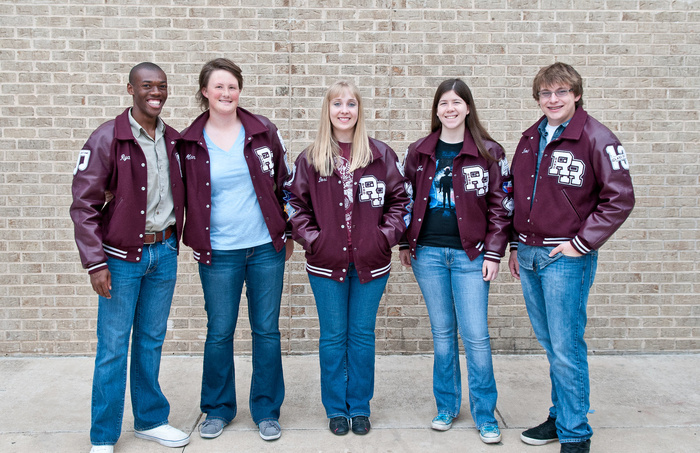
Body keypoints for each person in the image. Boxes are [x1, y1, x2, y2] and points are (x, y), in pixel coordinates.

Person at [508, 62, 635, 453]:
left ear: (576, 94)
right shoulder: (530, 138)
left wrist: (582, 243)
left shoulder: (597, 138)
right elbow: (517, 194)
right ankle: (560, 415)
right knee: (551, 344)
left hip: (565, 257)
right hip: (529, 253)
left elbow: (620, 198)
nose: (553, 99)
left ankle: (576, 433)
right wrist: (515, 244)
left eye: (561, 92)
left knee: (566, 346)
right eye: (546, 93)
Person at [70, 62, 190, 453]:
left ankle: (150, 420)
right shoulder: (108, 138)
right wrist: (95, 262)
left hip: (164, 251)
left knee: (151, 341)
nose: (155, 92)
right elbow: (84, 206)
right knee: (113, 347)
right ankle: (103, 436)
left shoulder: (173, 140)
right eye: (147, 86)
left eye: (161, 86)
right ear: (130, 89)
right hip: (120, 259)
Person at [285, 80, 410, 436]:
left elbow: (401, 202)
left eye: (351, 104)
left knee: (361, 336)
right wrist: (314, 240)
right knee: (333, 337)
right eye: (337, 103)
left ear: (359, 110)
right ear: (327, 110)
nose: (344, 110)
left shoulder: (380, 154)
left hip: (372, 263)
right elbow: (295, 205)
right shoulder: (310, 158)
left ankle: (360, 406)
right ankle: (336, 408)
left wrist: (383, 237)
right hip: (326, 264)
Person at [179, 58, 293, 442]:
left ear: (239, 91)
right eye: (218, 87)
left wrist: (287, 232)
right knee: (220, 331)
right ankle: (218, 408)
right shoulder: (188, 142)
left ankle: (266, 409)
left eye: (232, 87)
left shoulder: (262, 132)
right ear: (204, 92)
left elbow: (285, 184)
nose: (226, 94)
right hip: (218, 253)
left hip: (264, 248)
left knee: (266, 331)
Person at [399, 79, 512, 444]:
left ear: (468, 108)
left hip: (471, 255)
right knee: (443, 335)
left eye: (457, 102)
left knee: (476, 336)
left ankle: (484, 413)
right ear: (436, 110)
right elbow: (404, 200)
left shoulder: (489, 151)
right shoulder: (419, 151)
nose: (450, 108)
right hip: (428, 254)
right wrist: (404, 242)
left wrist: (494, 251)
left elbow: (501, 206)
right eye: (444, 103)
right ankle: (447, 406)